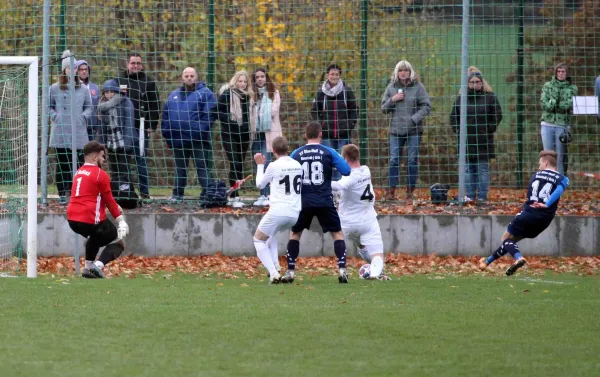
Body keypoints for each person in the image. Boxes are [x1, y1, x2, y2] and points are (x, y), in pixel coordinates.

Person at [280, 122, 351, 284]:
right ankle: (342, 270)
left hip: (303, 201)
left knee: (295, 234)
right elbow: (346, 171)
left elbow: (285, 171)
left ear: (305, 135)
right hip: (324, 199)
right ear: (320, 134)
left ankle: (290, 272)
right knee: (337, 234)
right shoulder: (329, 151)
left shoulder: (296, 154)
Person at [479, 150, 569, 276]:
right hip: (545, 219)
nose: (539, 167)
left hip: (529, 213)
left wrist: (545, 203)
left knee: (505, 239)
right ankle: (487, 262)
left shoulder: (535, 176)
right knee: (512, 242)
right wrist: (548, 205)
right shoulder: (563, 179)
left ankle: (518, 258)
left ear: (546, 163)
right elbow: (558, 190)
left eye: (540, 164)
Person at [66, 141, 130, 279]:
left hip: (72, 219)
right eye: (102, 156)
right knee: (117, 239)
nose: (104, 159)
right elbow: (109, 200)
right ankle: (98, 266)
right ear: (95, 157)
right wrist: (121, 221)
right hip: (88, 218)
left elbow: (91, 196)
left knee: (95, 236)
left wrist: (109, 205)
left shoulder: (79, 172)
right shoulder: (100, 174)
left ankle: (88, 268)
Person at [331, 144, 389, 280]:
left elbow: (339, 185)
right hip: (367, 220)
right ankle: (374, 273)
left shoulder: (349, 177)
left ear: (345, 158)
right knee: (377, 255)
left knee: (361, 244)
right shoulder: (366, 170)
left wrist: (319, 182)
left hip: (348, 223)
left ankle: (374, 272)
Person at [252, 136, 303, 284]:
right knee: (270, 235)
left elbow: (260, 185)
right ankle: (276, 266)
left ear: (273, 150)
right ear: (288, 149)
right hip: (294, 214)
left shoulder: (273, 166)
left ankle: (273, 273)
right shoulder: (297, 165)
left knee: (258, 240)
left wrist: (260, 165)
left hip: (279, 210)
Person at [161, 67, 216, 202]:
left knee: (202, 167)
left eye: (192, 76)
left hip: (198, 139)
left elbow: (209, 116)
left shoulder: (205, 93)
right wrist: (167, 133)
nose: (189, 78)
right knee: (180, 168)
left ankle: (208, 195)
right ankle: (177, 195)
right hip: (178, 139)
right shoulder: (173, 95)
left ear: (196, 77)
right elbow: (166, 115)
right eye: (186, 76)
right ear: (182, 78)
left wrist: (197, 130)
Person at [450, 67, 502, 203]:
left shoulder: (490, 97)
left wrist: (489, 129)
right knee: (468, 169)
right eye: (472, 82)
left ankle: (482, 197)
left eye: (477, 82)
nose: (475, 84)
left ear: (482, 82)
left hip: (483, 140)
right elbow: (453, 117)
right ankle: (470, 195)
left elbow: (497, 115)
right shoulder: (461, 98)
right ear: (467, 83)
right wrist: (458, 131)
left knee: (482, 169)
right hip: (466, 140)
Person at [381, 60, 431, 201]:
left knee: (412, 161)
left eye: (406, 70)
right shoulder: (391, 87)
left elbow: (426, 106)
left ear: (410, 72)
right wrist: (393, 99)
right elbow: (384, 108)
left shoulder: (418, 87)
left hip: (414, 130)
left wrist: (414, 118)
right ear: (397, 73)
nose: (403, 73)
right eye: (400, 70)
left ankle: (410, 193)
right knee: (394, 160)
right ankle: (390, 193)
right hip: (396, 131)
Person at [114, 52, 161, 199]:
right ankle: (126, 191)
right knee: (123, 160)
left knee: (141, 159)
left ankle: (145, 193)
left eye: (138, 63)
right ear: (127, 64)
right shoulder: (118, 81)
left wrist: (151, 125)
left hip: (141, 128)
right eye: (133, 63)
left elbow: (155, 106)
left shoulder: (149, 82)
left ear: (142, 65)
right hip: (122, 128)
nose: (135, 66)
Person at [49, 50, 93, 205]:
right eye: (70, 68)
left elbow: (89, 107)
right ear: (64, 69)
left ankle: (77, 193)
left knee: (80, 164)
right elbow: (48, 107)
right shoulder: (54, 88)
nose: (73, 71)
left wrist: (82, 118)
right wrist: (56, 117)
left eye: (75, 68)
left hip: (79, 133)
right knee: (62, 165)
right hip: (60, 132)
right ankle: (63, 194)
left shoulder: (83, 89)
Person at [311, 63, 358, 180]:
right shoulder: (321, 93)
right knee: (328, 161)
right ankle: (331, 189)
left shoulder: (347, 91)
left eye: (337, 74)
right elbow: (314, 111)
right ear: (327, 75)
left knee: (343, 161)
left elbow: (354, 109)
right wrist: (320, 127)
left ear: (340, 76)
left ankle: (343, 188)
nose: (334, 76)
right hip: (327, 135)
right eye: (332, 74)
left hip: (343, 134)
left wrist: (350, 125)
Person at [217, 70, 253, 208]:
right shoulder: (227, 94)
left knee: (240, 165)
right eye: (240, 81)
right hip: (229, 133)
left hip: (244, 134)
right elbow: (216, 110)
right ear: (235, 81)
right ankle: (233, 195)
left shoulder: (249, 97)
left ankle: (235, 193)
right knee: (234, 162)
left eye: (245, 81)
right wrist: (229, 120)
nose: (242, 84)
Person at [250, 67, 282, 206]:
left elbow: (274, 111)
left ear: (266, 77)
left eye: (262, 76)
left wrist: (259, 112)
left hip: (270, 132)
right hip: (256, 133)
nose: (260, 79)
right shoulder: (252, 94)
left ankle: (269, 194)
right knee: (258, 162)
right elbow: (250, 112)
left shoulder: (273, 93)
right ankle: (261, 195)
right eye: (257, 77)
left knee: (268, 162)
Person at [540, 63, 578, 175]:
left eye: (563, 71)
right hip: (547, 124)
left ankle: (559, 184)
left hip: (562, 125)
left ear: (567, 73)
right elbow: (544, 105)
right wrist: (554, 103)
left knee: (560, 157)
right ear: (555, 73)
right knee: (548, 156)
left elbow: (569, 105)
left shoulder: (572, 88)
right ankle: (547, 180)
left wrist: (554, 103)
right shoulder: (547, 86)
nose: (561, 74)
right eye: (559, 71)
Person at [97, 79, 137, 181]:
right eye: (106, 92)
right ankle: (116, 192)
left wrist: (128, 143)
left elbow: (129, 122)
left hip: (123, 140)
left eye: (111, 92)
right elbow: (102, 126)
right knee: (114, 168)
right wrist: (102, 143)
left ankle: (127, 192)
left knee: (124, 168)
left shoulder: (126, 102)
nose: (109, 95)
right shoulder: (102, 106)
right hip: (111, 141)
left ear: (116, 91)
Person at [75, 60, 101, 140]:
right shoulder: (72, 87)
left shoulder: (94, 88)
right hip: (77, 128)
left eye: (86, 69)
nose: (84, 71)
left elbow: (98, 108)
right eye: (81, 69)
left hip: (91, 128)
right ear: (76, 71)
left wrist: (98, 125)